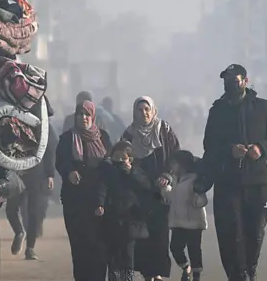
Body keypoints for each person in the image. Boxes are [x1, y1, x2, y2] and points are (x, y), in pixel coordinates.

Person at [196, 64, 267, 281]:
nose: (230, 85)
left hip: (256, 182)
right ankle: (238, 276)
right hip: (227, 184)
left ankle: (249, 271)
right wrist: (229, 150)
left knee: (255, 234)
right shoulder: (217, 111)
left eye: (235, 81)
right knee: (231, 237)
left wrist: (261, 148)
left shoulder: (262, 107)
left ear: (245, 81)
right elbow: (210, 145)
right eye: (226, 82)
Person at [121, 96, 180, 281]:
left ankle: (158, 274)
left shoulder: (164, 130)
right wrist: (129, 169)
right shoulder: (129, 134)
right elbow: (121, 157)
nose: (144, 113)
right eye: (140, 110)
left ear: (153, 110)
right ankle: (148, 275)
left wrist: (168, 175)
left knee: (160, 237)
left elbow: (176, 156)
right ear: (135, 112)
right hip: (138, 194)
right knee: (142, 238)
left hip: (160, 193)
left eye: (147, 109)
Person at [56, 101, 112, 281]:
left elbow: (110, 162)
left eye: (87, 114)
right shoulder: (66, 138)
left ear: (93, 116)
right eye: (80, 114)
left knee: (100, 246)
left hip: (99, 200)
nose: (83, 118)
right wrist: (69, 171)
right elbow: (61, 161)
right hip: (75, 201)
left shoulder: (103, 137)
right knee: (80, 247)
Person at [95, 141, 151, 281]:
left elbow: (146, 186)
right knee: (113, 256)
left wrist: (132, 171)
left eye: (124, 157)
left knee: (127, 255)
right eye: (117, 156)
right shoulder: (108, 171)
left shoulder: (136, 171)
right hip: (111, 219)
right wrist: (100, 204)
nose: (120, 160)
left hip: (130, 220)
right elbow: (102, 188)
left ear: (130, 159)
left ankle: (127, 279)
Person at [6, 123, 56, 260]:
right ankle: (19, 231)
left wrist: (49, 174)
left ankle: (30, 248)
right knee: (11, 209)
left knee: (34, 211)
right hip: (15, 170)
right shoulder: (9, 119)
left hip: (35, 171)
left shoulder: (41, 122)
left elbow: (48, 148)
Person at [160, 150, 207, 281]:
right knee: (175, 247)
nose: (171, 167)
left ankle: (196, 275)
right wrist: (164, 189)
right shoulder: (174, 179)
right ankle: (186, 267)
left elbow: (202, 201)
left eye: (174, 164)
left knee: (194, 250)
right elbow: (171, 197)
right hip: (177, 222)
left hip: (194, 222)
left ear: (183, 165)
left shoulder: (195, 179)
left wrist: (198, 196)